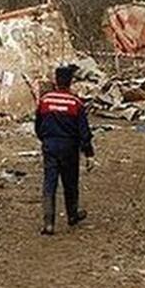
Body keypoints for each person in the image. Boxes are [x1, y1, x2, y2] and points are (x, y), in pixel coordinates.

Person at [35, 64, 94, 236]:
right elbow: (84, 132)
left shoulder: (45, 101)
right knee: (70, 183)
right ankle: (72, 215)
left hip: (50, 146)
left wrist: (45, 140)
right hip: (69, 148)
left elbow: (37, 125)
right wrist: (89, 153)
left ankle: (48, 223)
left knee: (49, 183)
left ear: (56, 80)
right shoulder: (76, 103)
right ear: (71, 82)